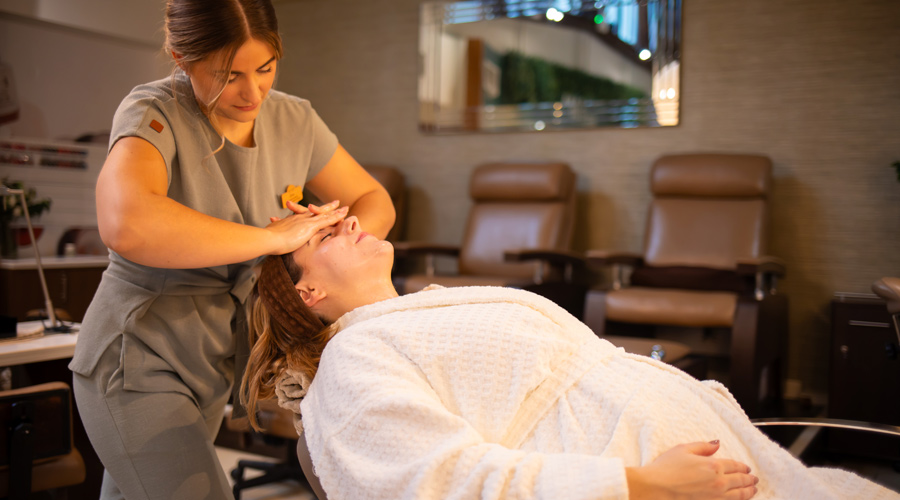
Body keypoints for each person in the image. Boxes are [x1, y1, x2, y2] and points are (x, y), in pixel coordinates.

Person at [244, 216, 899, 500]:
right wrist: (642, 485)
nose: (350, 222)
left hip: (706, 456)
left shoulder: (424, 307)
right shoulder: (354, 360)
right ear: (309, 292)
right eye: (324, 235)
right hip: (653, 481)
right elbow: (443, 484)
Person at [68, 1, 395, 498]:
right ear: (182, 58)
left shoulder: (294, 119)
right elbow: (126, 222)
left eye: (265, 68)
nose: (251, 91)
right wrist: (275, 239)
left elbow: (374, 200)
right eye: (227, 76)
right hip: (138, 359)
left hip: (215, 363)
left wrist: (333, 248)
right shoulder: (154, 111)